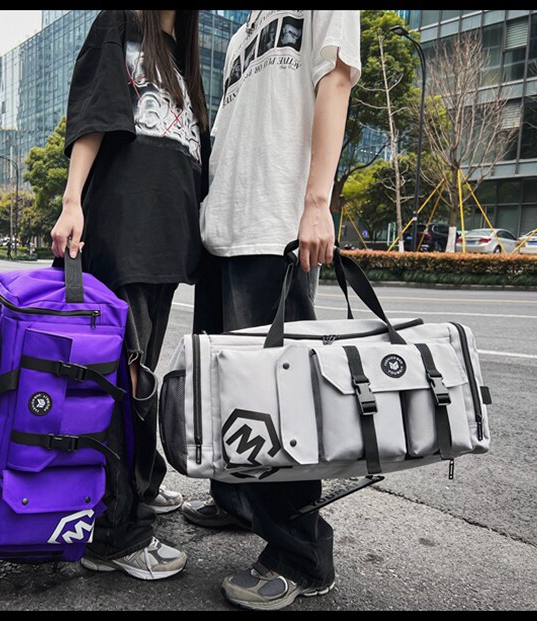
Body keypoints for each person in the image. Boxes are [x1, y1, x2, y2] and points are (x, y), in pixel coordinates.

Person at [182, 10, 361, 610]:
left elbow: (336, 81)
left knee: (280, 404)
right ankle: (237, 502)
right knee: (228, 395)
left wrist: (317, 203)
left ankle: (300, 555)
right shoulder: (241, 34)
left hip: (274, 227)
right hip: (223, 230)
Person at [50, 9, 210, 580]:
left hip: (165, 240)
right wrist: (72, 200)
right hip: (124, 227)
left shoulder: (182, 53)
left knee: (137, 377)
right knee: (124, 382)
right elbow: (94, 109)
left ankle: (138, 486)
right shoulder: (121, 21)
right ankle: (113, 535)